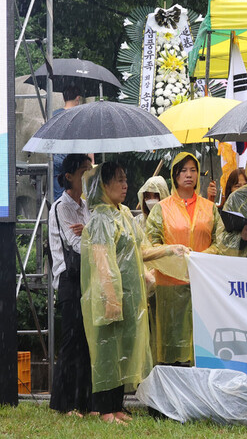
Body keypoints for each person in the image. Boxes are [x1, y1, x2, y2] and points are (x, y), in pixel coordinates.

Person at [80, 162, 184, 424]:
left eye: (126, 179)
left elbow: (141, 250)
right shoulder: (102, 218)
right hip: (112, 297)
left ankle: (117, 407)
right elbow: (102, 260)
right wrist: (111, 297)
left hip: (130, 296)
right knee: (108, 352)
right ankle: (105, 409)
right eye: (118, 180)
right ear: (103, 185)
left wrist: (170, 250)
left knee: (122, 352)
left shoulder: (124, 213)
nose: (125, 185)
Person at [145, 152, 223, 365]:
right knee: (171, 343)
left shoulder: (209, 208)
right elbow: (151, 244)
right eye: (183, 171)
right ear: (175, 175)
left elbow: (221, 242)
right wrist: (174, 255)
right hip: (170, 286)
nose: (189, 175)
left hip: (203, 283)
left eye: (193, 170)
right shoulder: (162, 208)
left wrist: (199, 258)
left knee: (202, 343)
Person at [48, 154, 93, 416]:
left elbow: (88, 236)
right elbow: (74, 244)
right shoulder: (60, 207)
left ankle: (84, 402)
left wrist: (87, 229)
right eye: (83, 172)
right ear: (69, 177)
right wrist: (90, 232)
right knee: (70, 340)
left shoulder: (86, 207)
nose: (87, 177)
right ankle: (63, 404)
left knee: (86, 340)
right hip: (68, 279)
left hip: (85, 276)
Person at [52, 84, 83, 201]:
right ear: (77, 98)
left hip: (56, 159)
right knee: (72, 195)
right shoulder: (79, 116)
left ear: (64, 98)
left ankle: (58, 216)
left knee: (58, 197)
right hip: (72, 161)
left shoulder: (54, 115)